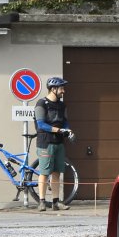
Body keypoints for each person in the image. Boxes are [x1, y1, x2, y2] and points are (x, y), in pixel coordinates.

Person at [33, 77, 74, 212]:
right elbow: (41, 124)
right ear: (53, 89)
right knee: (44, 173)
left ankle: (56, 202)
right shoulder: (41, 103)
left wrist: (68, 130)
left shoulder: (62, 105)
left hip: (59, 142)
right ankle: (42, 202)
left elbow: (65, 121)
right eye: (61, 88)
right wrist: (58, 130)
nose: (64, 91)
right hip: (46, 142)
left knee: (57, 173)